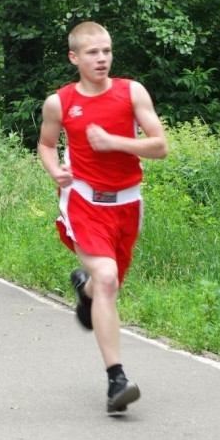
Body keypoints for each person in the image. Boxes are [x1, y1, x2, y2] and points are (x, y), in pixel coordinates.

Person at [37, 21, 169, 414]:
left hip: (128, 204)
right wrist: (55, 170)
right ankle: (117, 380)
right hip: (83, 201)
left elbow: (160, 146)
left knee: (106, 285)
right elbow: (46, 145)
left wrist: (115, 143)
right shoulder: (59, 102)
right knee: (108, 278)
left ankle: (86, 291)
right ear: (74, 57)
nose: (101, 59)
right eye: (92, 52)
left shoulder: (132, 92)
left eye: (107, 51)